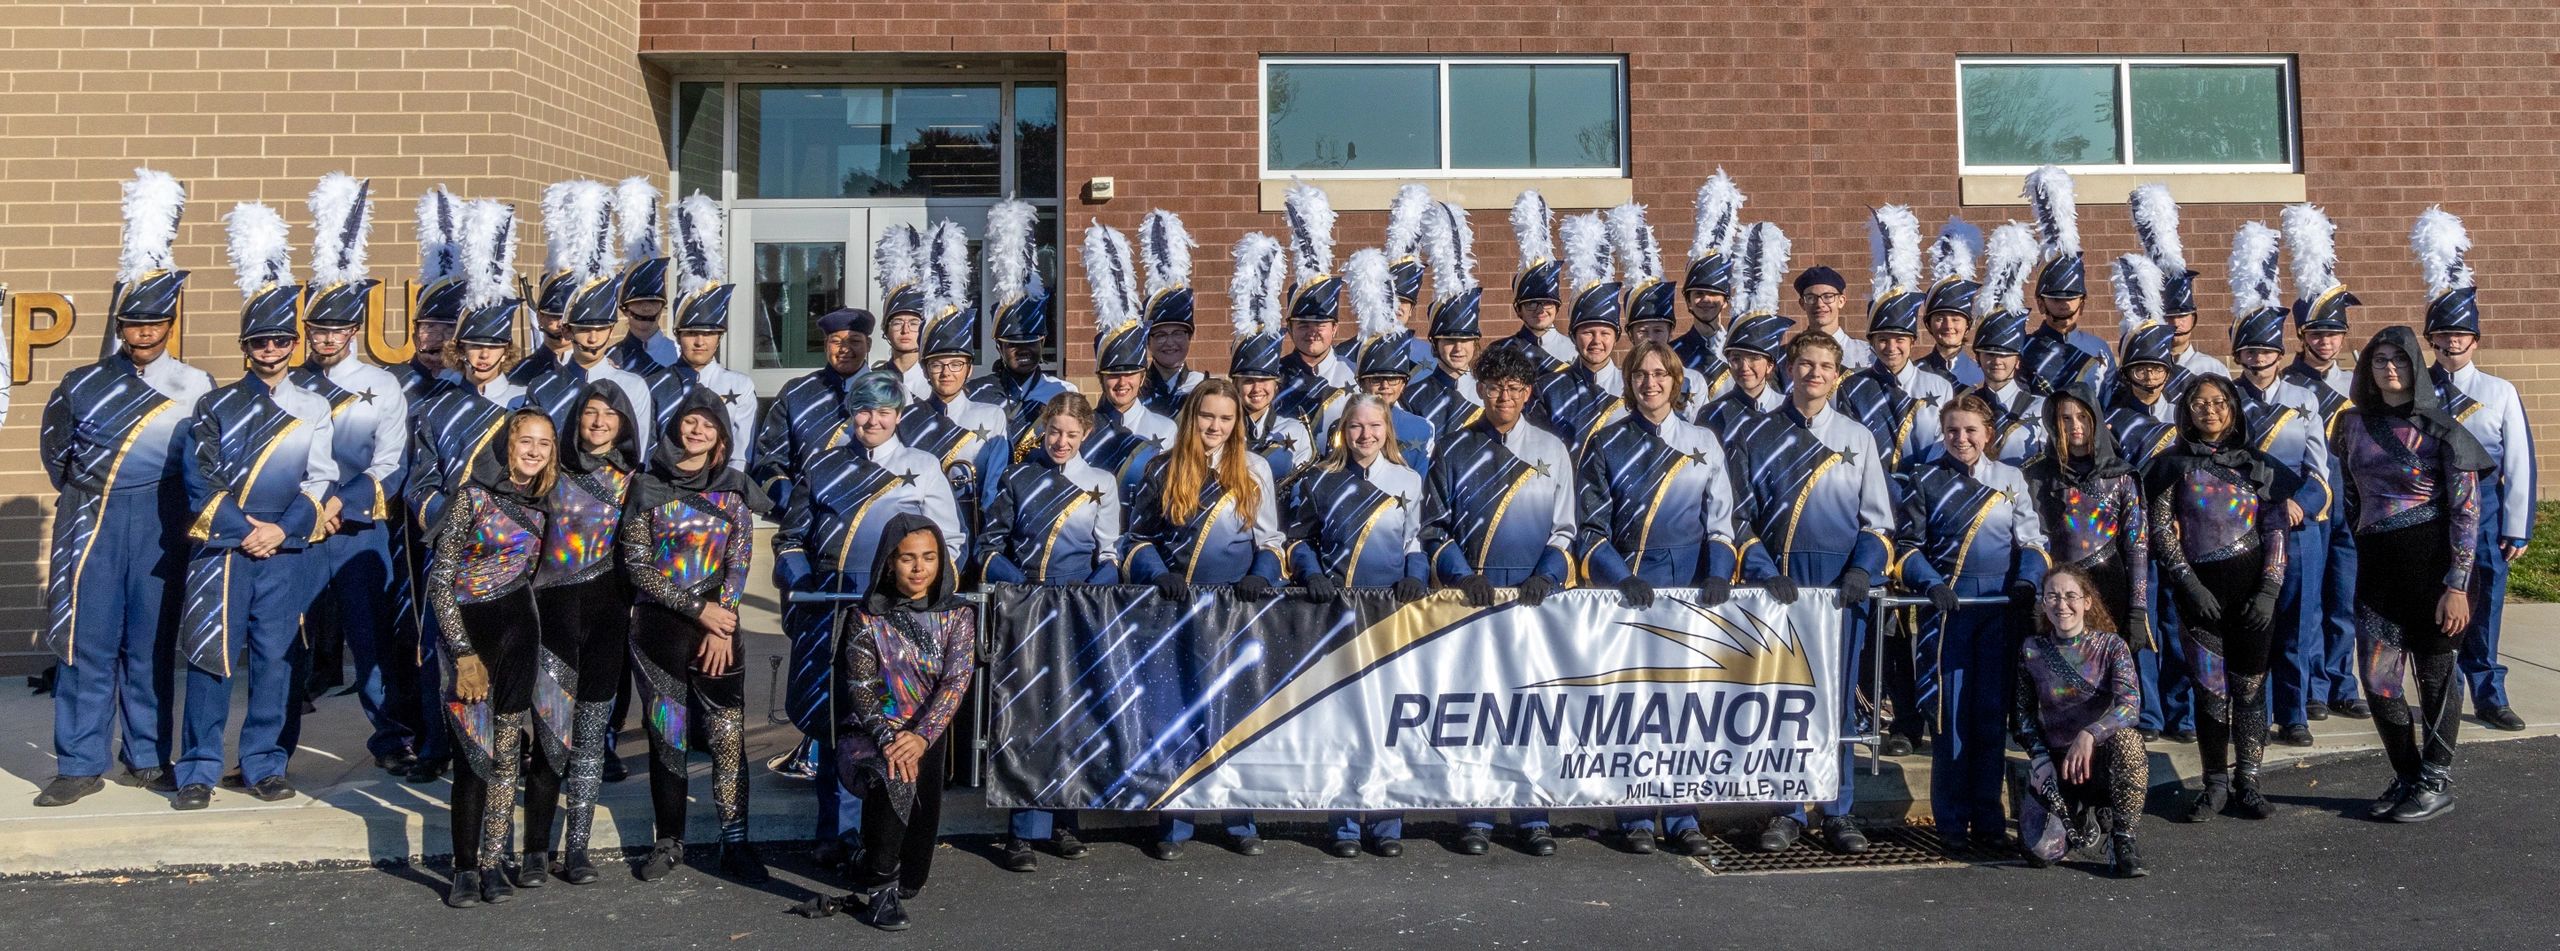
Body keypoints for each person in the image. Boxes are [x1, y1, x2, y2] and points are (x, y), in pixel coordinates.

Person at [35, 171, 212, 807]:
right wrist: (91, 497)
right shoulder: (82, 381)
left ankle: (145, 753)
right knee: (86, 639)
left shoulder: (197, 385)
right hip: (93, 513)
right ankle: (80, 760)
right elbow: (56, 451)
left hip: (163, 515)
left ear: (169, 323)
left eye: (155, 322)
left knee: (151, 642)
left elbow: (205, 460)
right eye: (133, 322)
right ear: (121, 323)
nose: (143, 331)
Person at [169, 204, 340, 810]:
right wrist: (245, 531)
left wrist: (281, 530)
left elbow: (320, 480)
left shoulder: (314, 407)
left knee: (276, 660)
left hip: (284, 549)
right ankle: (196, 767)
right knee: (210, 657)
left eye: (281, 340)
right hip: (224, 549)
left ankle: (265, 762)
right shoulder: (214, 406)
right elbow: (199, 478)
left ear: (295, 345)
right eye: (260, 341)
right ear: (246, 347)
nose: (271, 348)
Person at [1575, 341, 1776, 855]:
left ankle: (1684, 816)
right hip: (1630, 593)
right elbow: (1590, 527)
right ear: (1629, 381)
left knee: (1686, 706)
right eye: (1640, 374)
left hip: (1691, 590)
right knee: (1634, 707)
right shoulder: (1606, 442)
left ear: (1676, 379)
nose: (1651, 383)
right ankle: (1636, 815)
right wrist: (1620, 577)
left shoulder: (1703, 440)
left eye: (1660, 374)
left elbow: (1722, 520)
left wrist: (1720, 574)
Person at [770, 370, 964, 868]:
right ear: (850, 413)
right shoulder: (824, 464)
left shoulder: (921, 466)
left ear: (899, 416)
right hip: (831, 609)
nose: (872, 420)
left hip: (893, 619)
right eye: (863, 409)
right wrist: (803, 582)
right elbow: (789, 539)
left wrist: (919, 596)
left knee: (886, 720)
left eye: (883, 411)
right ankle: (835, 830)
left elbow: (949, 544)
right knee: (835, 723)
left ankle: (882, 839)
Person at [1727, 332, 1890, 854]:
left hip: (1842, 592)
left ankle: (1839, 809)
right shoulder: (1757, 435)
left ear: (1837, 375)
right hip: (1781, 589)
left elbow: (1879, 522)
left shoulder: (1857, 437)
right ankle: (1786, 807)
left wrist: (1863, 571)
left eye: (1825, 366)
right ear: (1788, 369)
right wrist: (1761, 568)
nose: (1814, 374)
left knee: (1839, 707)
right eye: (1805, 364)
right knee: (1785, 702)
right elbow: (1738, 518)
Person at [1420, 344, 1581, 856]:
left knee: (1533, 708)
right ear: (1479, 389)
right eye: (1494, 387)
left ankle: (1534, 817)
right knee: (1478, 707)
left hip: (1533, 598)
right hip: (1473, 598)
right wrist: (1463, 577)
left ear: (1529, 392)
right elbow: (1432, 528)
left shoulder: (1551, 449)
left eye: (1515, 388)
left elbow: (1565, 528)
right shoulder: (1453, 447)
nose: (1504, 397)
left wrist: (1547, 576)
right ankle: (1477, 814)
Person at [1124, 378, 1285, 858]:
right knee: (1177, 713)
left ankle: (1241, 819)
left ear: (1237, 424)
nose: (1215, 426)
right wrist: (1156, 572)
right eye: (1207, 416)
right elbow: (1135, 540)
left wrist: (1260, 574)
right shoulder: (1161, 467)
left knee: (1237, 713)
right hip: (1175, 611)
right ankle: (1175, 822)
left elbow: (1272, 541)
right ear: (1192, 417)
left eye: (1226, 418)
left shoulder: (1255, 469)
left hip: (1235, 611)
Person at [2334, 326, 2490, 822]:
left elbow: (2467, 512)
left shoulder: (2444, 428)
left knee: (2437, 678)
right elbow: (2352, 493)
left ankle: (2435, 781)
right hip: (2378, 569)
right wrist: (2365, 540)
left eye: (2399, 360)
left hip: (2435, 572)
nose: (2389, 369)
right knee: (2379, 681)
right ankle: (2407, 775)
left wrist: (2457, 585)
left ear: (2416, 367)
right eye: (2379, 361)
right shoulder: (2352, 424)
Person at [396, 189, 522, 786]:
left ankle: (508, 746)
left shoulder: (529, 405)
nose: (481, 356)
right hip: (449, 539)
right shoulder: (437, 408)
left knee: (509, 646)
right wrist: (437, 516)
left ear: (506, 351)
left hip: (510, 548)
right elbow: (420, 477)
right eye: (472, 345)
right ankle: (437, 741)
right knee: (440, 646)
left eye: (493, 346)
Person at [293, 173, 418, 771]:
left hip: (356, 527)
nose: (325, 338)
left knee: (372, 645)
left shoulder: (381, 383)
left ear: (351, 331)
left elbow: (391, 462)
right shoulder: (288, 385)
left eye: (336, 329)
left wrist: (341, 503)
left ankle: (391, 739)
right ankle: (271, 754)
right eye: (316, 329)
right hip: (294, 529)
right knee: (284, 647)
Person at [624, 390, 770, 884]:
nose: (697, 431)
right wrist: (697, 609)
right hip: (658, 630)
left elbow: (740, 559)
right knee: (667, 737)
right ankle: (670, 840)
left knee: (728, 738)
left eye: (708, 425)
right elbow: (638, 563)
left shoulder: (733, 490)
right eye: (690, 421)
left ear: (722, 437)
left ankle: (736, 842)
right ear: (674, 427)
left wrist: (722, 619)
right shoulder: (646, 484)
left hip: (719, 634)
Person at [1892, 394, 2048, 850]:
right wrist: (1929, 582)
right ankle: (1951, 824)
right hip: (1948, 615)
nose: (1961, 439)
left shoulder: (2010, 479)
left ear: (1988, 433)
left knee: (1988, 719)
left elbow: (2033, 542)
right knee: (1950, 721)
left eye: (1971, 430)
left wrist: (2027, 583)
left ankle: (1990, 822)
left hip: (1999, 613)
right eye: (1953, 431)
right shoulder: (1925, 478)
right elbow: (1906, 546)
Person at [1284, 394, 1430, 857]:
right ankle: (1344, 824)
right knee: (1342, 721)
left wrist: (1415, 578)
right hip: (1337, 613)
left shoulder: (1407, 479)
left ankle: (1387, 824)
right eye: (1355, 428)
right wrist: (1312, 574)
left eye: (1374, 426)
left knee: (1388, 721)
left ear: (1387, 429)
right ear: (1341, 433)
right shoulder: (1322, 480)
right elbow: (1299, 539)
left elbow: (1415, 541)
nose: (1365, 436)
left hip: (1389, 613)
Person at [982, 394, 1118, 872]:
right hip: (1024, 606)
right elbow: (990, 545)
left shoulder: (1101, 482)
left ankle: (1065, 822)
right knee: (1023, 718)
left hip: (1078, 610)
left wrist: (1087, 594)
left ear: (1086, 436)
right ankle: (1021, 830)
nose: (1061, 442)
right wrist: (1019, 586)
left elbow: (1110, 555)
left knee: (1073, 715)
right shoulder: (1017, 477)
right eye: (1054, 432)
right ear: (1043, 430)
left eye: (1072, 434)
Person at [2148, 374, 2293, 822]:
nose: (2209, 410)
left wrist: (2269, 589)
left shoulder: (2257, 465)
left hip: (2253, 594)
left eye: (2218, 402)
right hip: (2199, 596)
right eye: (2198, 403)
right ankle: (2214, 783)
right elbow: (2159, 527)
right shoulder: (2172, 465)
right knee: (2210, 693)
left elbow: (2275, 529)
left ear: (2232, 408)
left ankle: (2248, 781)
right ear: (2186, 411)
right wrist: (2188, 583)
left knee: (2249, 690)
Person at [2412, 209, 2535, 733]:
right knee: (2430, 606)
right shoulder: (2416, 390)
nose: (2453, 342)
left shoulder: (2499, 392)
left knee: (2484, 607)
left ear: (2476, 340)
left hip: (2483, 512)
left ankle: (2490, 692)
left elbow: (2519, 463)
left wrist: (2515, 526)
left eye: (2462, 333)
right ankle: (2441, 693)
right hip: (2427, 508)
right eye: (2443, 333)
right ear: (2431, 339)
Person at [427, 408, 555, 907]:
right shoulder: (472, 498)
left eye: (545, 444)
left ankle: (493, 861)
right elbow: (440, 581)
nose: (535, 451)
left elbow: (532, 574)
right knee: (471, 759)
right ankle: (462, 868)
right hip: (470, 641)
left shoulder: (543, 507)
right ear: (507, 444)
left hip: (519, 637)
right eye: (527, 441)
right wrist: (462, 653)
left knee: (506, 758)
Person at [521, 382, 640, 886]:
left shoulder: (635, 480)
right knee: (551, 738)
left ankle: (578, 849)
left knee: (591, 740)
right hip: (552, 618)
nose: (597, 422)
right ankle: (532, 851)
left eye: (608, 416)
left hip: (608, 620)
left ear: (623, 424)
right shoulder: (549, 474)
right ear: (576, 419)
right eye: (590, 413)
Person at [2226, 221, 2336, 749]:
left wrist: (2300, 505)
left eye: (2267, 350)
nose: (2259, 358)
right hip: (2244, 528)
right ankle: (2255, 713)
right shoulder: (2223, 400)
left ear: (2278, 352)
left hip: (2296, 526)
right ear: (2239, 354)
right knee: (2254, 625)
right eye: (2249, 350)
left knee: (2297, 622)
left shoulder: (2304, 397)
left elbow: (2321, 472)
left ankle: (2294, 713)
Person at [839, 516, 977, 931]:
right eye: (908, 559)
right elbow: (861, 690)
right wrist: (890, 740)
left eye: (929, 558)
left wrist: (919, 737)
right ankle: (879, 895)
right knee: (894, 774)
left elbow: (956, 681)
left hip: (926, 738)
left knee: (915, 877)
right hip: (868, 736)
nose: (919, 569)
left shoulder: (959, 616)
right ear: (888, 563)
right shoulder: (864, 617)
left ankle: (868, 857)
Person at [2280, 203, 2368, 726]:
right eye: (2316, 333)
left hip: (2354, 499)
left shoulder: (2359, 382)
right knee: (2308, 599)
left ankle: (2342, 681)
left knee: (2345, 597)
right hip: (2312, 498)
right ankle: (2311, 684)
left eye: (2333, 333)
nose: (2325, 341)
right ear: (2302, 336)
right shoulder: (2289, 386)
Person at [2012, 565, 2149, 877]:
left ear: (2087, 601)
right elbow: (2022, 717)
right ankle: (2077, 818)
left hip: (2099, 759)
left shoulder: (2112, 646)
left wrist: (2091, 733)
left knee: (2130, 741)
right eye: (2053, 597)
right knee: (2039, 854)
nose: (2062, 605)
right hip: (2059, 764)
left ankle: (2122, 838)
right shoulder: (2032, 649)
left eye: (2071, 596)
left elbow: (2130, 706)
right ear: (2044, 603)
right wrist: (2040, 757)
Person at [521, 181, 655, 461]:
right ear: (568, 330)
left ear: (612, 328)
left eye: (600, 329)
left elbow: (640, 456)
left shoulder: (633, 385)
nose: (593, 338)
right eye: (584, 329)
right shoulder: (543, 387)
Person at [2024, 385, 2153, 658]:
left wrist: (2138, 608)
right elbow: (2033, 540)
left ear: (2095, 418)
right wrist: (2037, 594)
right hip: (2059, 590)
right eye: (2065, 418)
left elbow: (2137, 545)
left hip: (2110, 587)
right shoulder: (2039, 475)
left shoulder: (2121, 475)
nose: (2075, 426)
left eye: (2082, 416)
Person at [902, 220, 1012, 531]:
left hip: (977, 530)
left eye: (955, 364)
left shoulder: (992, 416)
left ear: (970, 369)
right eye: (937, 365)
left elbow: (995, 484)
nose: (946, 372)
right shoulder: (909, 417)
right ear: (924, 370)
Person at [1835, 205, 1957, 471]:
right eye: (1882, 339)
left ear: (1913, 340)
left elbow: (1943, 445)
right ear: (1870, 340)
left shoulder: (1939, 387)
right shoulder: (1853, 386)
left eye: (1900, 339)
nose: (1891, 347)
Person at [646, 192, 757, 469]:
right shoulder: (653, 384)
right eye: (690, 333)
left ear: (719, 337)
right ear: (677, 334)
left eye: (708, 334)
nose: (699, 341)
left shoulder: (740, 387)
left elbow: (741, 454)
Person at [969, 199, 1080, 451]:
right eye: (1013, 344)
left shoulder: (1063, 392)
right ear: (998, 345)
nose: (1024, 350)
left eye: (1031, 342)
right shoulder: (976, 393)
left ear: (1042, 341)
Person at [749, 306, 874, 513]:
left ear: (868, 344)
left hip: (871, 515)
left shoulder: (888, 391)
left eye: (854, 341)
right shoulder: (796, 392)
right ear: (825, 345)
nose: (844, 349)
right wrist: (794, 505)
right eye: (836, 341)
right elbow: (769, 460)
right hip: (805, 517)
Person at [1528, 212, 1627, 452]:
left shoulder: (1633, 384)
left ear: (1616, 337)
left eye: (1604, 333)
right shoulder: (1547, 389)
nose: (1596, 341)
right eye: (1587, 332)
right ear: (1573, 335)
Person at [2018, 166, 2113, 397]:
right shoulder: (2023, 347)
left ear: (2083, 302)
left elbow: (2109, 401)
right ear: (2040, 303)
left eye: (2072, 297)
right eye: (2056, 298)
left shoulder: (2099, 347)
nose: (2065, 305)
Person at [1085, 221, 1179, 449]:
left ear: (1142, 376)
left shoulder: (1166, 429)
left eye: (1130, 373)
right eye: (1113, 374)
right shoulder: (1084, 429)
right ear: (1101, 377)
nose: (1122, 382)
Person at [1228, 233, 1315, 479]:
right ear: (1235, 384)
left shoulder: (1295, 429)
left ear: (1276, 384)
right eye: (1248, 380)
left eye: (1265, 379)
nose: (1257, 388)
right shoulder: (1222, 427)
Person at [1344, 248, 1438, 474]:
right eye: (1376, 379)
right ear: (1362, 382)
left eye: (1393, 379)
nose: (1385, 385)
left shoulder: (1421, 428)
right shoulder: (1345, 425)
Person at [1698, 222, 1793, 440]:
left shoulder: (1791, 410)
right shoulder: (1710, 414)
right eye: (1736, 358)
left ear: (1770, 365)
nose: (1744, 367)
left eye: (1753, 358)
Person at [1613, 203, 1713, 408]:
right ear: (1630, 334)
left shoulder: (1694, 382)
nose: (1650, 337)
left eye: (1658, 330)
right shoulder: (1614, 384)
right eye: (1642, 330)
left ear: (1671, 332)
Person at [1400, 200, 1486, 436]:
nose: (1458, 348)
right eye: (1449, 339)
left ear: (1475, 341)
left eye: (1466, 339)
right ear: (1434, 343)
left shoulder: (1491, 390)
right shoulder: (1412, 396)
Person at [1274, 182, 1354, 432]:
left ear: (1335, 328)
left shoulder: (1354, 372)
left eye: (1320, 324)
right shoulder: (1273, 375)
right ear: (1288, 328)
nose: (1312, 331)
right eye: (1302, 324)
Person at [1967, 222, 2046, 466]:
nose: (1996, 361)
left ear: (2018, 359)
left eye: (2005, 354)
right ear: (1978, 358)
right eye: (1989, 354)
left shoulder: (2041, 406)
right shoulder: (1967, 404)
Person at [1671, 170, 1745, 392]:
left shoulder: (1740, 346)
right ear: (1689, 301)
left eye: (1714, 293)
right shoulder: (1674, 351)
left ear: (1725, 300)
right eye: (1698, 294)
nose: (1706, 300)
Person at [1137, 210, 1208, 417]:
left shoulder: (1205, 386)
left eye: (1178, 333)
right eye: (1160, 335)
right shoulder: (1134, 389)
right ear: (1147, 342)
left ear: (1189, 337)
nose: (1170, 343)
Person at [1496, 189, 1573, 372]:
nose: (1540, 309)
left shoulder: (1576, 349)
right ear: (1518, 309)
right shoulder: (1500, 351)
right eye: (1531, 303)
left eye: (1547, 302)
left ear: (1557, 306)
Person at [607, 177, 678, 373]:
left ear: (662, 306)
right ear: (625, 308)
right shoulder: (610, 357)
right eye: (638, 302)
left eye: (653, 301)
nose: (646, 308)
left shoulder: (679, 354)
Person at [1916, 219, 1986, 389]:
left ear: (1968, 325)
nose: (1948, 326)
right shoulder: (1914, 373)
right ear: (1929, 324)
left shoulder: (1983, 373)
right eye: (1940, 318)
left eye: (1956, 319)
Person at [871, 222, 932, 399]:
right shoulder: (871, 379)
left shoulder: (939, 380)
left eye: (914, 323)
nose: (905, 330)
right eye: (897, 322)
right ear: (886, 329)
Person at [1795, 266, 1874, 370]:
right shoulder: (1788, 356)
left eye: (1828, 296)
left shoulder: (1867, 354)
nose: (1820, 304)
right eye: (1811, 297)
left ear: (1841, 301)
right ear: (1802, 304)